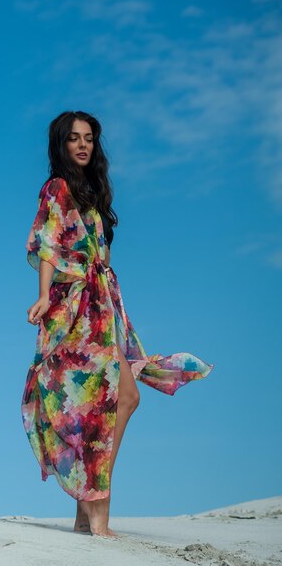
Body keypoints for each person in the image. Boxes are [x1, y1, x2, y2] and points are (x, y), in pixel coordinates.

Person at [22, 110, 214, 538]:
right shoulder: (58, 187)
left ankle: (85, 510)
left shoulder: (92, 193)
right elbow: (50, 244)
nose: (83, 145)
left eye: (89, 138)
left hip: (102, 308)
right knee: (111, 403)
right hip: (77, 312)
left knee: (119, 401)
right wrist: (42, 294)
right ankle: (97, 514)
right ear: (61, 145)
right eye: (74, 139)